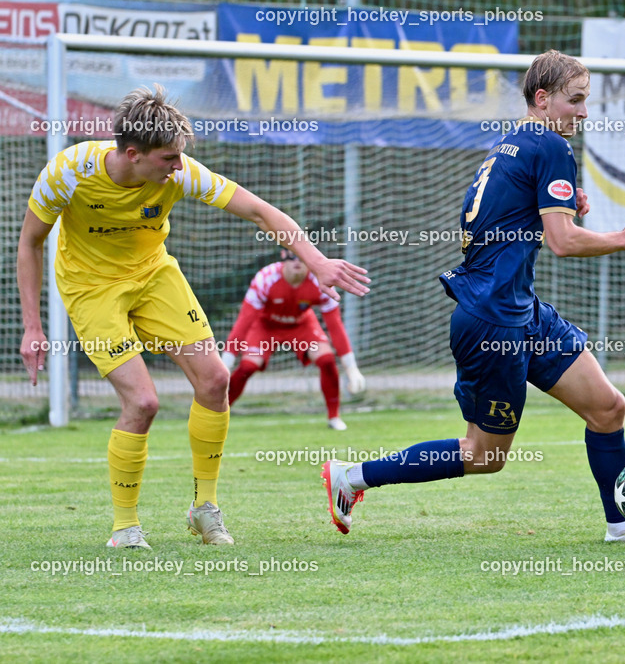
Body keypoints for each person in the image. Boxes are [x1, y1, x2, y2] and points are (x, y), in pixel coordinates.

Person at [321, 49, 625, 542]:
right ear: (542, 99)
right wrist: (624, 236)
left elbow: (507, 218)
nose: (582, 111)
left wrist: (556, 207)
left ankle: (621, 527)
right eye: (574, 100)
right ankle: (353, 476)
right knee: (484, 455)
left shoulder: (513, 143)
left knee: (607, 407)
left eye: (586, 101)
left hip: (520, 311)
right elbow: (561, 241)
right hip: (493, 318)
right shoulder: (551, 147)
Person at [18, 85, 370, 550]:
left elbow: (261, 212)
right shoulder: (67, 173)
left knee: (214, 379)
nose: (178, 167)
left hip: (153, 275)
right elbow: (30, 243)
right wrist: (33, 326)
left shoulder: (181, 174)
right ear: (132, 154)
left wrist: (318, 260)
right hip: (90, 288)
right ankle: (125, 528)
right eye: (168, 158)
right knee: (143, 403)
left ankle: (204, 509)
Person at [221, 249, 366, 430]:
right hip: (266, 325)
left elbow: (335, 326)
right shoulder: (265, 279)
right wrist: (225, 365)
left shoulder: (320, 281)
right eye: (292, 255)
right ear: (283, 255)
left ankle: (334, 417)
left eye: (302, 256)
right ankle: (220, 414)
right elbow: (242, 324)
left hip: (301, 324)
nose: (297, 261)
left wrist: (351, 368)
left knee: (327, 359)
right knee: (248, 366)